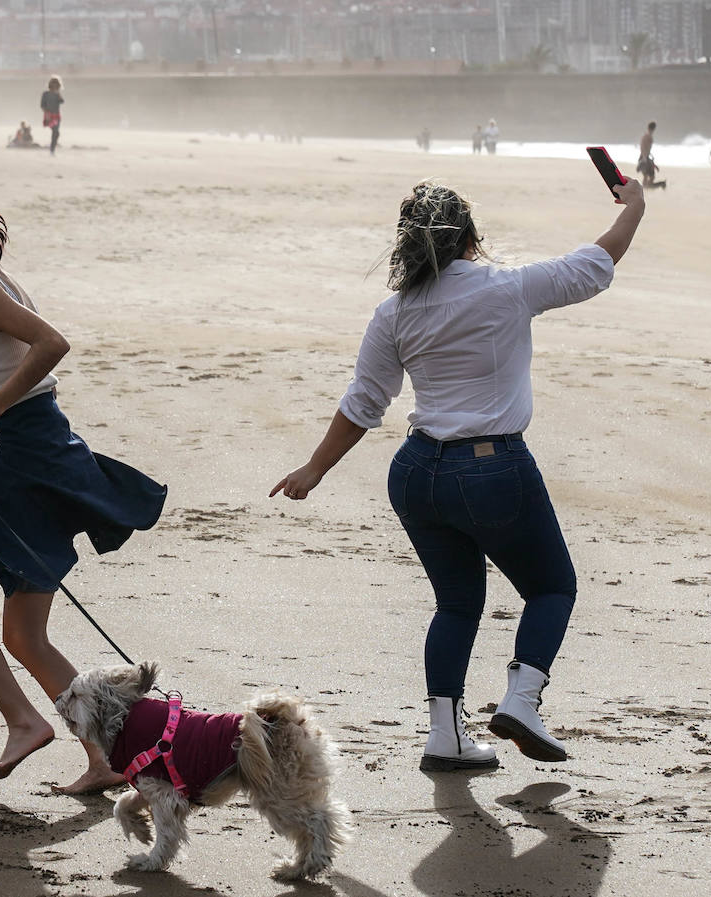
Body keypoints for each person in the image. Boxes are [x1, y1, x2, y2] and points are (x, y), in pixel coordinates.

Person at [270, 176, 646, 771]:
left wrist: (315, 468)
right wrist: (635, 208)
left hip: (417, 473)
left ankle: (444, 738)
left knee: (457, 603)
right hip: (492, 468)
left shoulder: (395, 311)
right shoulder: (508, 287)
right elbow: (593, 266)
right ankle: (522, 701)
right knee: (551, 588)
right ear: (470, 236)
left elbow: (364, 402)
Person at [0, 178, 167, 792]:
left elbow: (52, 343)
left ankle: (24, 721)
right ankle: (105, 757)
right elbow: (16, 360)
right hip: (34, 455)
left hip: (24, 463)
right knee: (23, 632)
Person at [40, 76, 64, 156]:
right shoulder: (45, 94)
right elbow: (42, 105)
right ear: (50, 84)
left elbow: (62, 101)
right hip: (49, 116)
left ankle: (52, 149)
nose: (54, 85)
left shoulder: (57, 94)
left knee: (56, 133)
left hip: (57, 116)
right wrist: (46, 113)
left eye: (56, 84)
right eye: (53, 84)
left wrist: (58, 94)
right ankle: (52, 149)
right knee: (55, 132)